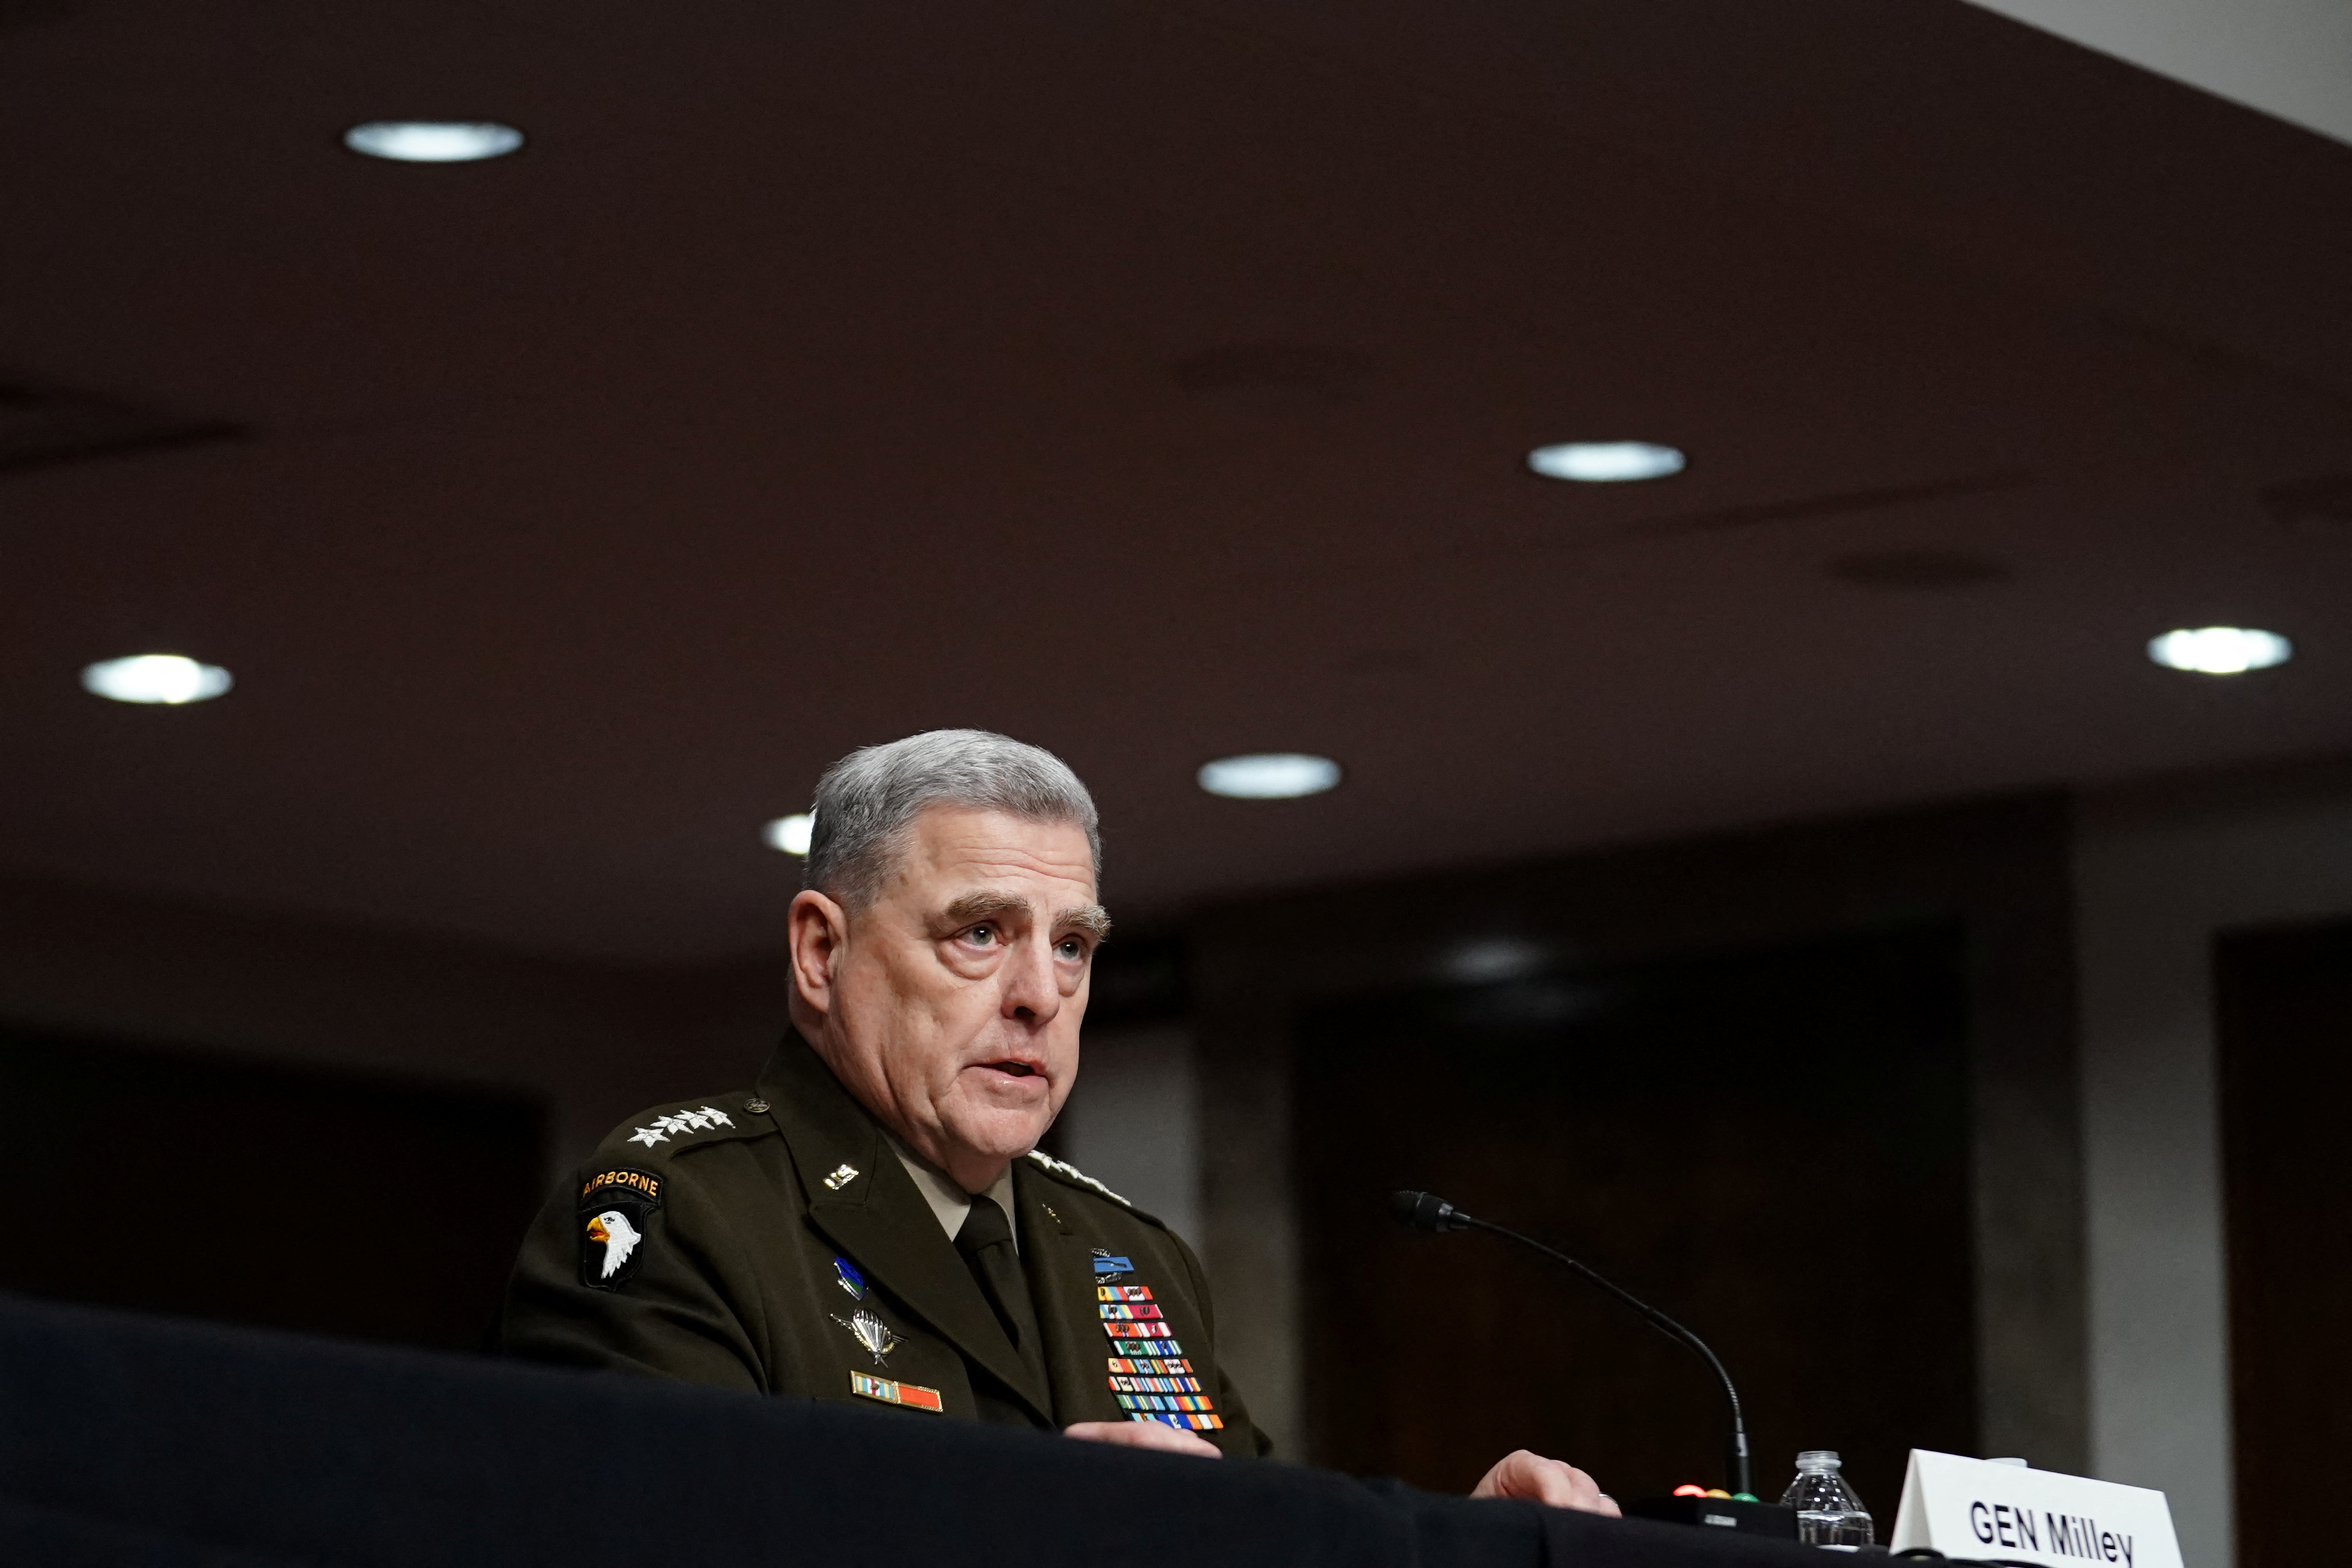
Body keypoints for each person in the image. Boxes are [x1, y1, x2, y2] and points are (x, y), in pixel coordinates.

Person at [499, 729, 1617, 1512]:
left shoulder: (1132, 1254)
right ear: (821, 952)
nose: (1040, 991)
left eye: (1072, 943)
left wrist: (1466, 1547)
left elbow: (1263, 1544)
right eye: (981, 932)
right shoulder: (687, 1211)